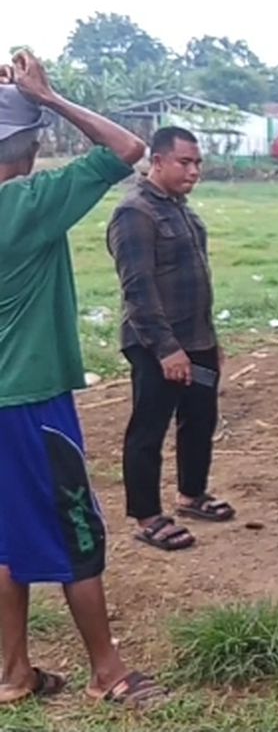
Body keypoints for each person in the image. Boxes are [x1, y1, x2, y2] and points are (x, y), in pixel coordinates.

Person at [0, 50, 166, 707]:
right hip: (30, 403)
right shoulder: (26, 205)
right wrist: (53, 96)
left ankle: (12, 675)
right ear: (31, 145)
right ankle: (109, 673)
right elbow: (130, 147)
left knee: (8, 537)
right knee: (77, 531)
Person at [107, 127, 235, 553]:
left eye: (197, 163)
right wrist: (167, 349)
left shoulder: (180, 209)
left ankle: (191, 494)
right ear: (157, 161)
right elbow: (138, 291)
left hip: (196, 338)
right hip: (155, 344)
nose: (194, 171)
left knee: (200, 417)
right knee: (149, 428)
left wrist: (207, 340)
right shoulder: (135, 213)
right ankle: (146, 516)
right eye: (185, 162)